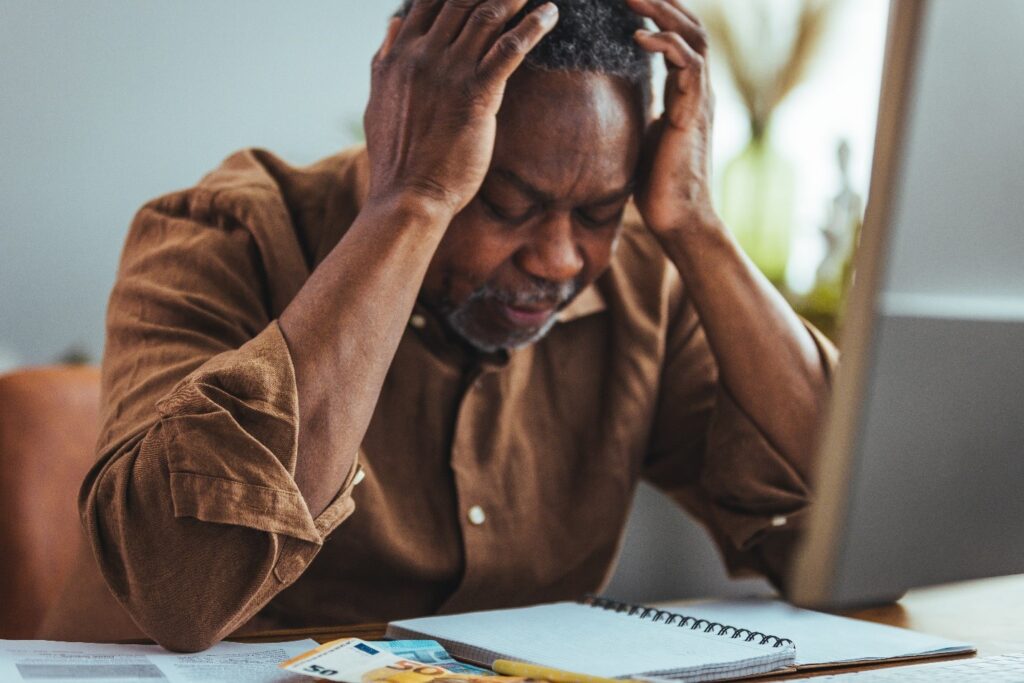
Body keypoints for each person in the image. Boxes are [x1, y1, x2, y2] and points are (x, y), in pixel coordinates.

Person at [82, 0, 836, 652]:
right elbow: (180, 592)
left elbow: (838, 537)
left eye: (601, 213)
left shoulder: (645, 288)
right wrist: (413, 200)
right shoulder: (219, 238)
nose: (557, 259)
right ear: (399, 118)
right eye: (505, 204)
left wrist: (698, 225)